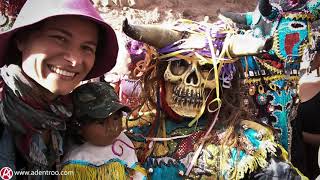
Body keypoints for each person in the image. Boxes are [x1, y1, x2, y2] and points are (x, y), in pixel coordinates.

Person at [0, 0, 118, 179]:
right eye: (59, 38)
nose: (75, 60)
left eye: (87, 48)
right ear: (22, 39)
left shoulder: (69, 118)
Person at [61, 81, 147, 179]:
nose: (112, 128)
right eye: (101, 122)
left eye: (115, 119)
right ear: (78, 126)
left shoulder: (122, 140)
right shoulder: (76, 162)